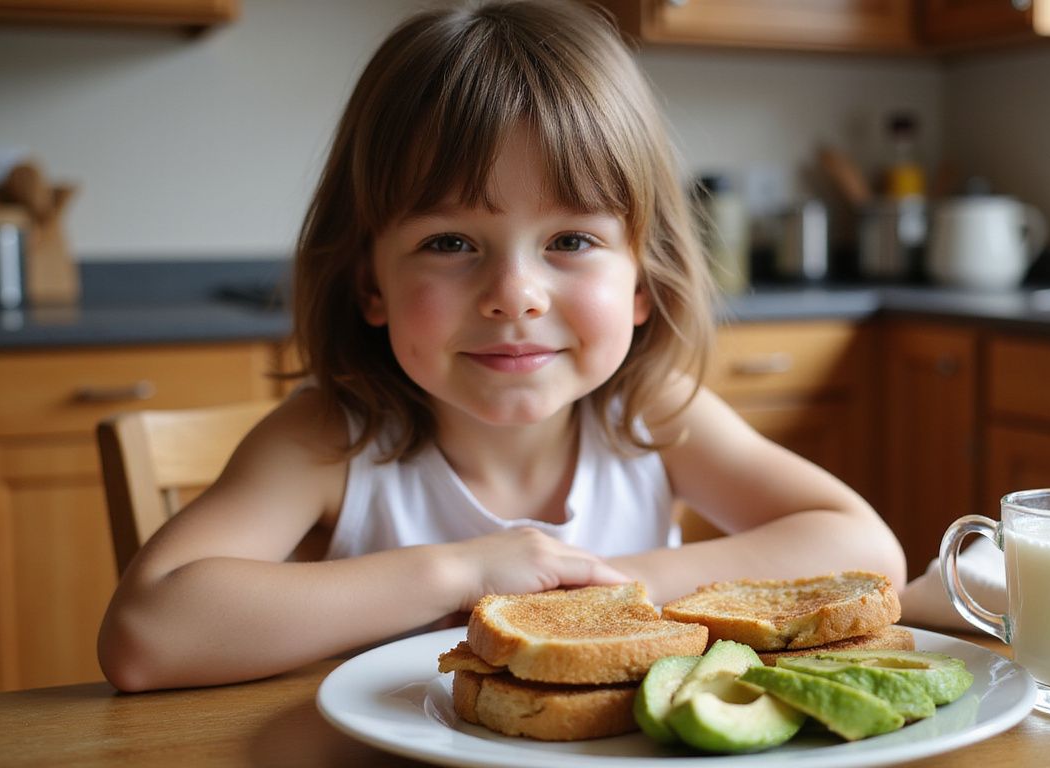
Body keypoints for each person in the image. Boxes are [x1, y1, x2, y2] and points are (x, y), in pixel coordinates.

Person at [97, 0, 905, 693]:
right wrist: (464, 573)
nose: (514, 292)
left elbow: (867, 551)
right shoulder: (331, 437)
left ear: (639, 284)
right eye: (450, 242)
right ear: (369, 284)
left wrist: (615, 588)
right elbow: (146, 636)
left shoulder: (650, 413)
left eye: (570, 240)